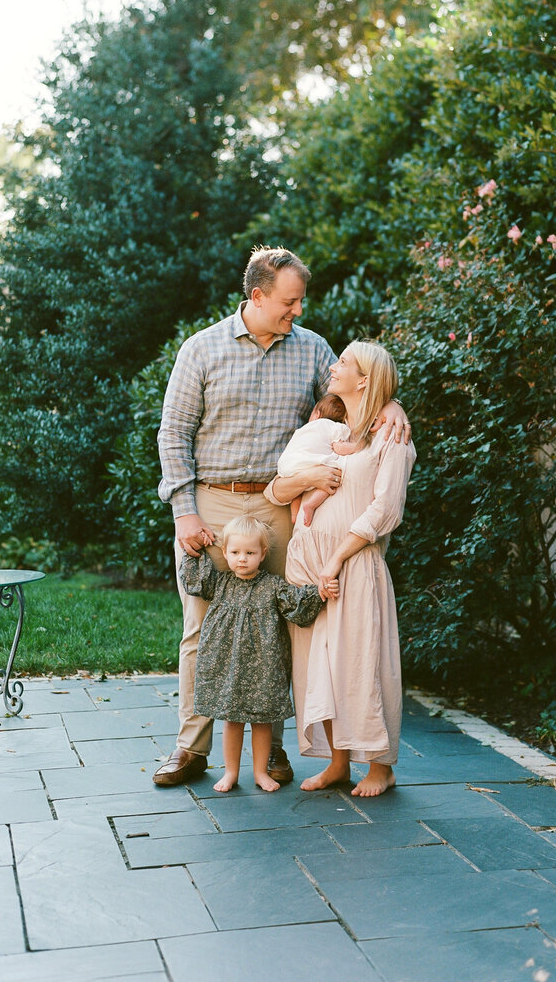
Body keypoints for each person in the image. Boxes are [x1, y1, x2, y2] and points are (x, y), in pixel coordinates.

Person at [154, 246, 411, 788]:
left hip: (281, 506)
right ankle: (191, 747)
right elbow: (173, 434)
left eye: (300, 301)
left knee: (281, 627)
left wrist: (391, 404)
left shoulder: (313, 349)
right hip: (213, 504)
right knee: (203, 626)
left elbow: (351, 396)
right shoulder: (201, 349)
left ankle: (269, 751)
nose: (298, 310)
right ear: (258, 295)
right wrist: (184, 512)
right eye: (290, 301)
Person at [265, 340, 416, 798]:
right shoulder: (329, 433)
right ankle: (337, 762)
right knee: (318, 668)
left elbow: (385, 510)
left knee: (361, 665)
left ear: (365, 380)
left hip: (352, 563)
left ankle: (380, 766)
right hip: (308, 564)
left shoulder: (391, 435)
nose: (334, 367)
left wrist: (336, 559)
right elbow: (276, 491)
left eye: (344, 362)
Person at [181, 515, 337, 792]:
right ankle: (230, 772)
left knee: (263, 721)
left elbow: (296, 603)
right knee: (232, 720)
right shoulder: (220, 583)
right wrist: (197, 551)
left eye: (250, 553)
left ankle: (260, 772)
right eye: (235, 552)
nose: (242, 559)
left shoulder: (273, 585)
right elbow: (195, 581)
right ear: (225, 552)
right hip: (229, 665)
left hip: (264, 666)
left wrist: (321, 591)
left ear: (263, 554)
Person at [277, 393, 362, 526]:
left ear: (316, 414)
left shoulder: (304, 429)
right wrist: (358, 447)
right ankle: (311, 505)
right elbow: (339, 448)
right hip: (311, 463)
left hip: (287, 466)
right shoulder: (335, 427)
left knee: (298, 489)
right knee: (335, 474)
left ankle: (294, 515)